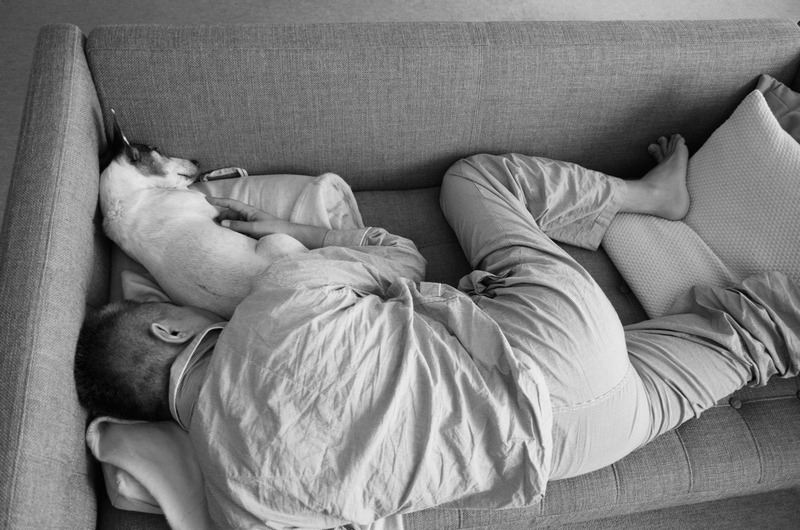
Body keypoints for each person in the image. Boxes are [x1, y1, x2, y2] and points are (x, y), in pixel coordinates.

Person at [74, 134, 800, 528]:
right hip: (545, 337)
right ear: (169, 330)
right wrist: (306, 235)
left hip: (564, 448)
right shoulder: (275, 300)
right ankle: (649, 195)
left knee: (759, 335)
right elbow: (402, 258)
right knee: (472, 179)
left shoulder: (236, 502)